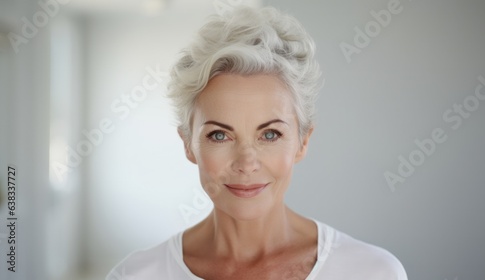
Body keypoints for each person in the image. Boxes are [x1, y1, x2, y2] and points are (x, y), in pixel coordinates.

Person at [106, 6, 408, 280]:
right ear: (188, 144)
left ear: (303, 141)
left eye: (269, 135)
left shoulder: (373, 272)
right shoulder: (135, 275)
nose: (246, 163)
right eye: (220, 135)